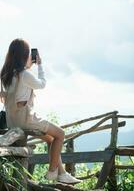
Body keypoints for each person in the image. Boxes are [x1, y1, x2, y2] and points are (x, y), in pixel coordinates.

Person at [0, 38, 81, 184]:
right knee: (60, 134)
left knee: (51, 139)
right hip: (27, 120)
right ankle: (52, 173)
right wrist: (40, 66)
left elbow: (20, 84)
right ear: (24, 55)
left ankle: (61, 173)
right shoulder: (24, 75)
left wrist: (28, 66)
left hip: (13, 121)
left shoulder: (6, 75)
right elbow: (41, 84)